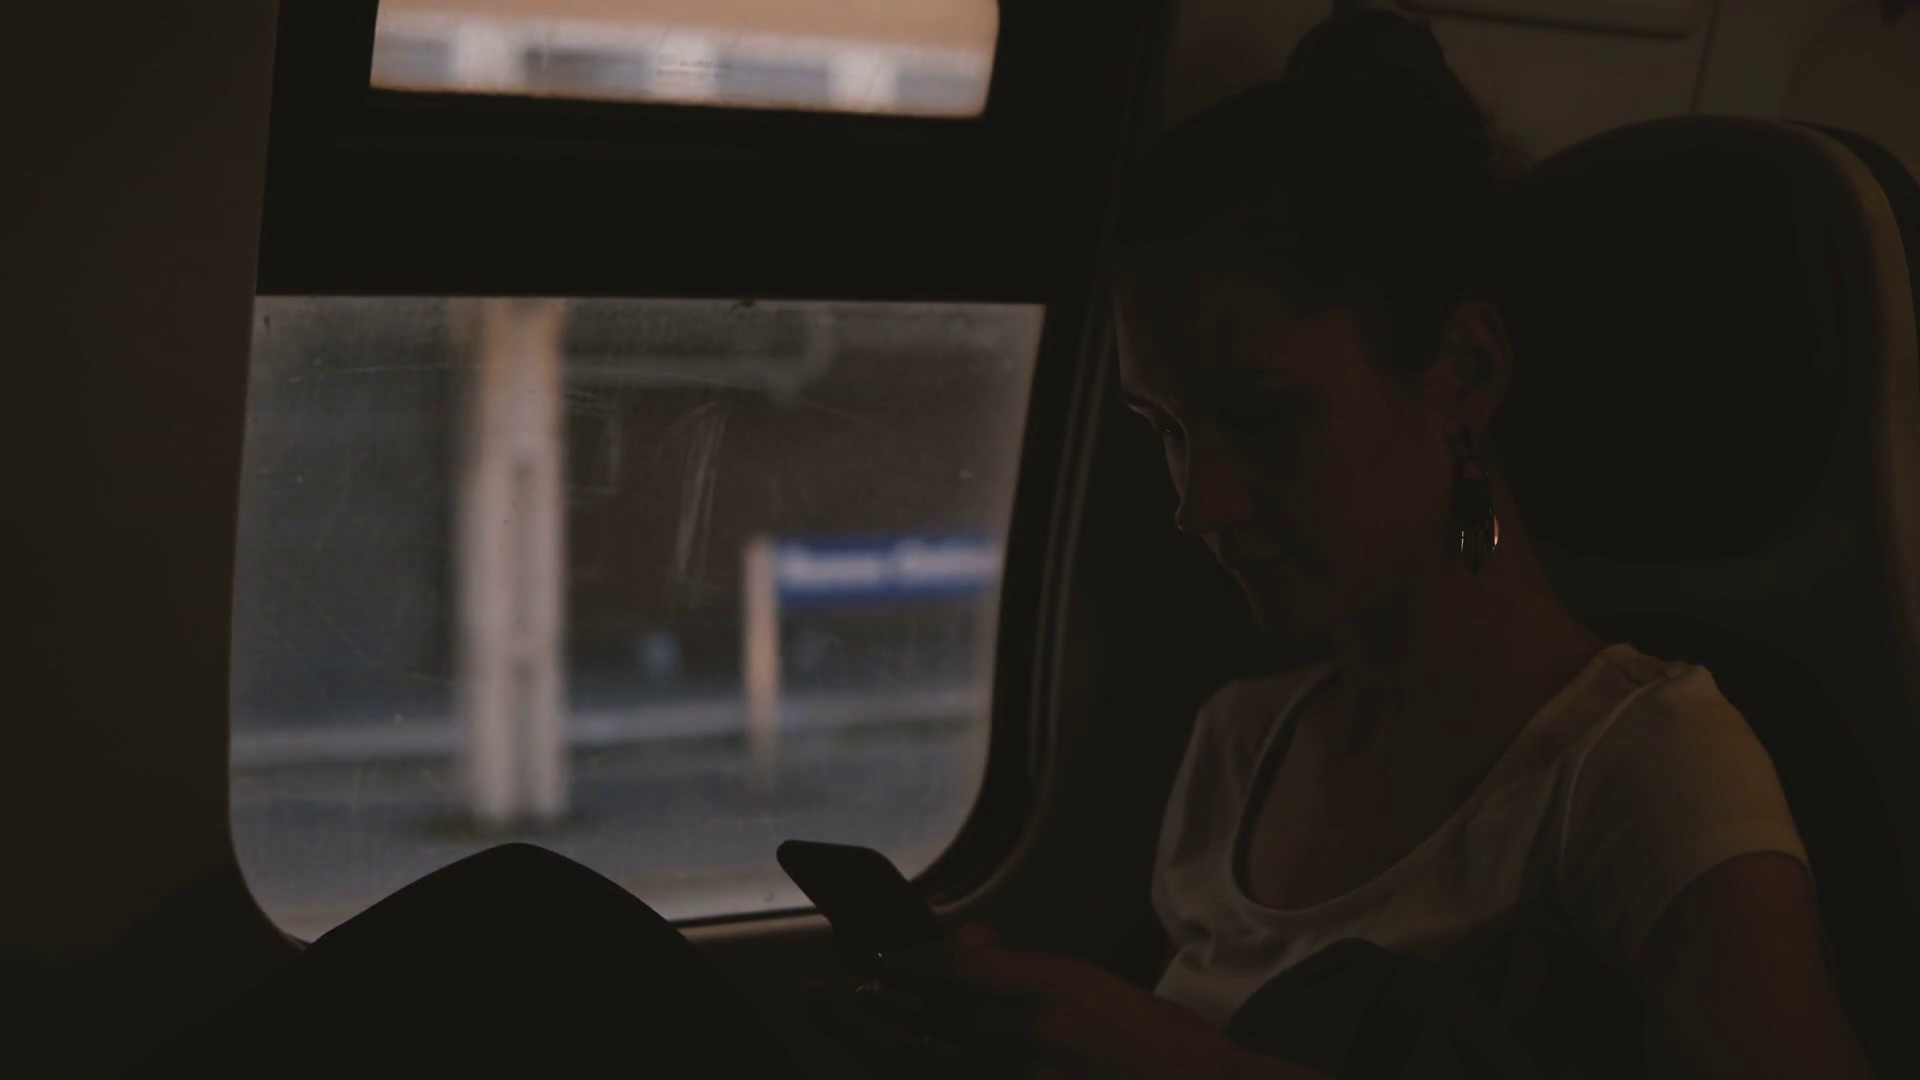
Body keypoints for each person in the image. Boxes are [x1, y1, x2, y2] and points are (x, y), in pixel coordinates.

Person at [140, 11, 1874, 1080]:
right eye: (1165, 435)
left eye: (1259, 422)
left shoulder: (1642, 766)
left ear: (1466, 373)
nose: (1199, 506)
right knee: (522, 940)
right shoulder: (1241, 743)